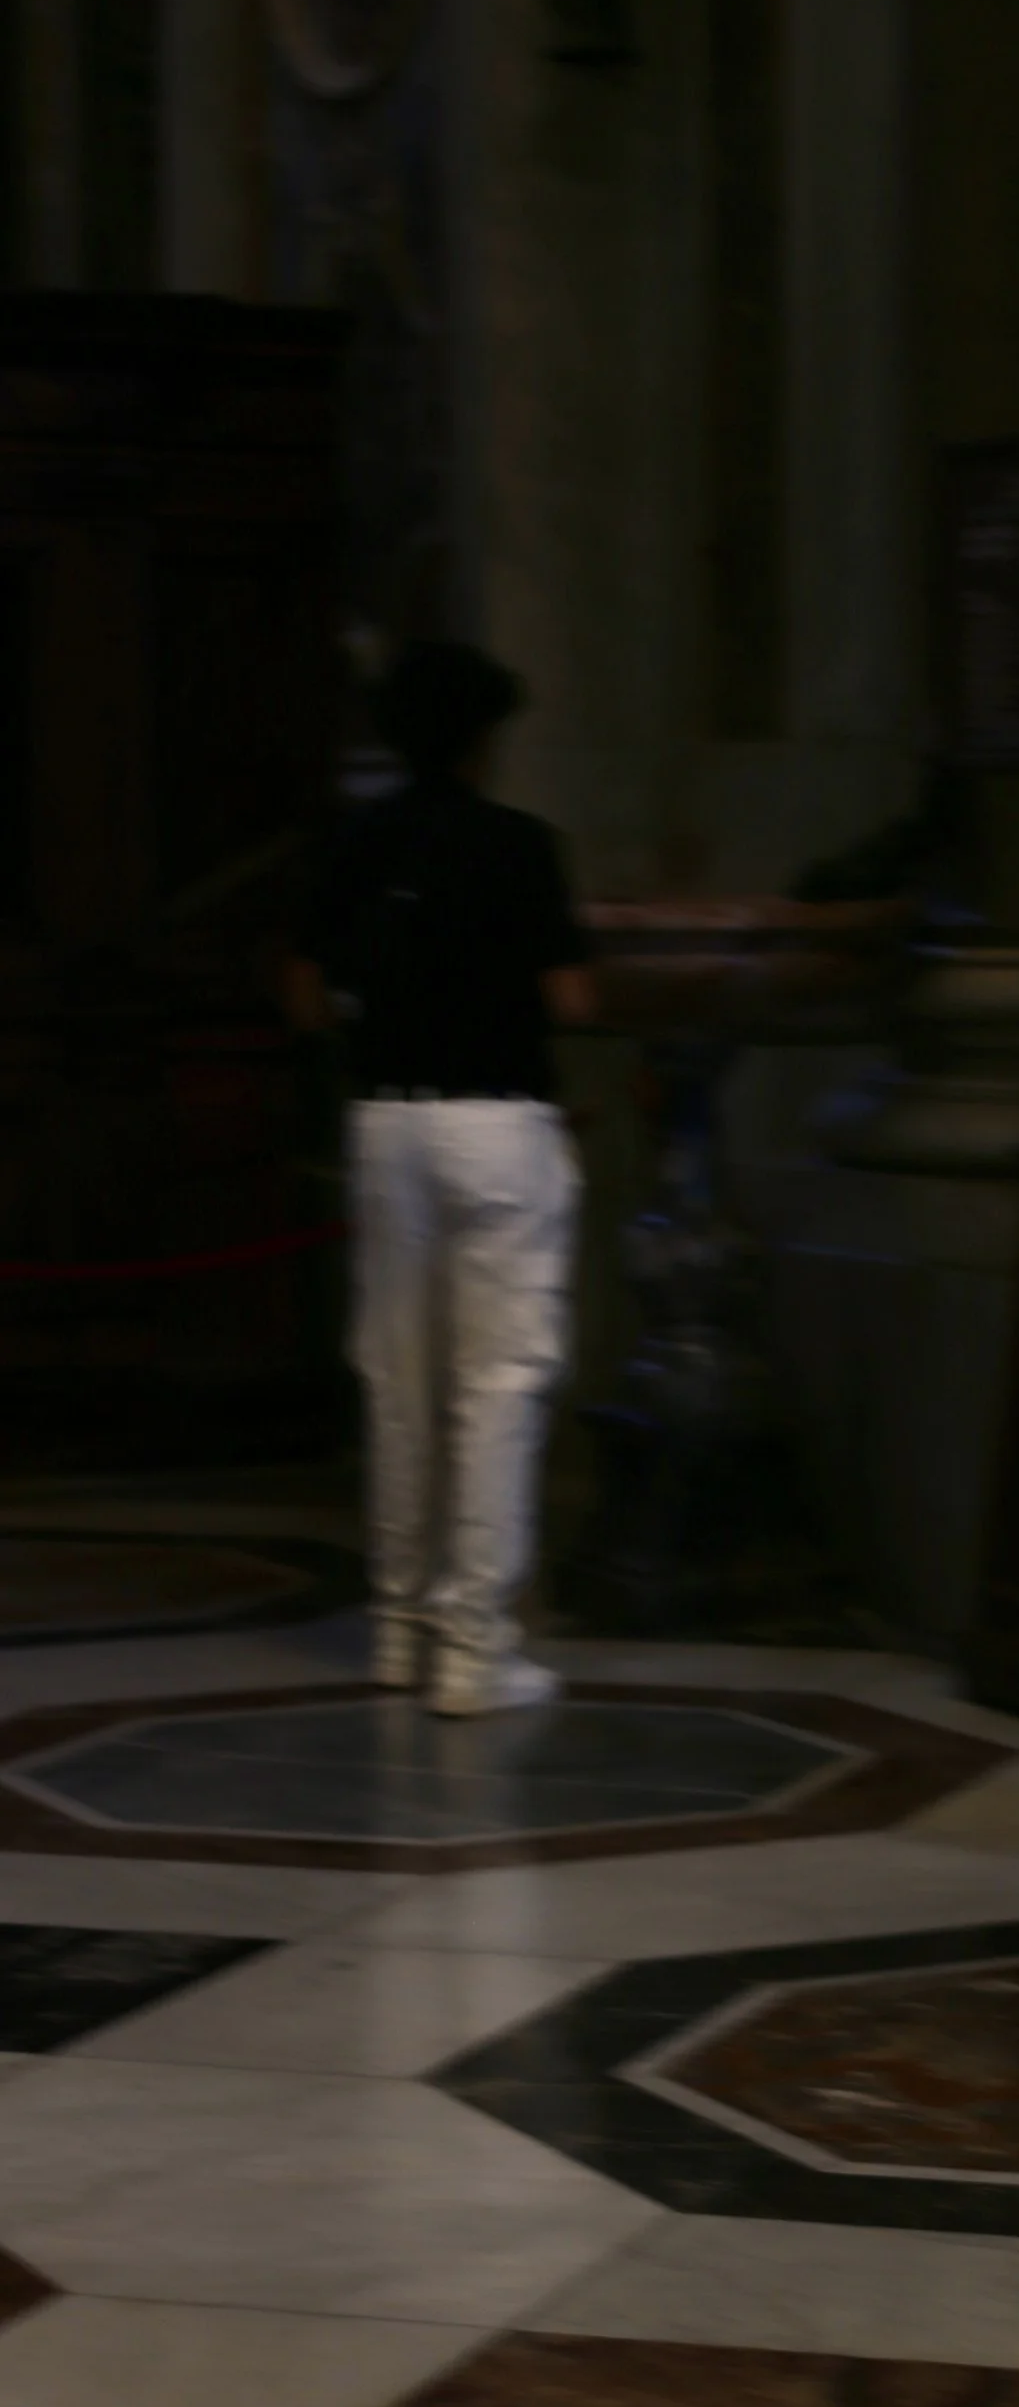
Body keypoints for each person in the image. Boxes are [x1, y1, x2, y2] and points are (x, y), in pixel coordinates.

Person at [285, 640, 595, 1716]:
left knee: (398, 1378)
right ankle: (473, 1646)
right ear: (482, 739)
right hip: (497, 1120)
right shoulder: (518, 844)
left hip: (386, 1123)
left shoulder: (355, 839)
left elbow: (305, 994)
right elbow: (572, 1000)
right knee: (497, 1380)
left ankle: (400, 1624)